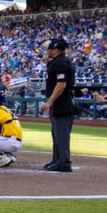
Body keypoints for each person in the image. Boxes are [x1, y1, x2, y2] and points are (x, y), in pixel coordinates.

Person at [41, 38, 76, 172]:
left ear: (54, 49)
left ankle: (63, 162)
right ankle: (57, 160)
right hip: (61, 102)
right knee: (56, 133)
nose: (47, 51)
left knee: (61, 133)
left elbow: (61, 85)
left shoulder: (60, 62)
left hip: (61, 103)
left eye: (49, 48)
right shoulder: (60, 61)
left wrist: (49, 102)